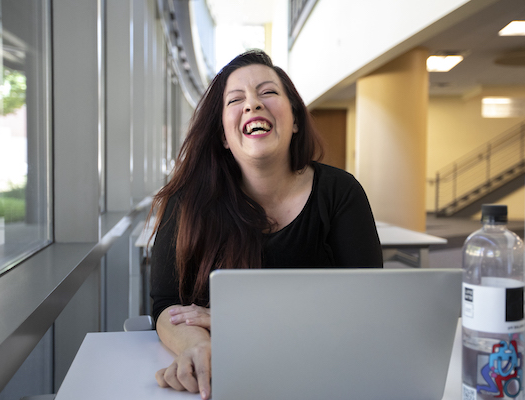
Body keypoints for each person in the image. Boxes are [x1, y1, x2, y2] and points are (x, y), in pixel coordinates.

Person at [149, 50, 383, 399]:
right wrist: (196, 347)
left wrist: (239, 319)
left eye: (268, 92)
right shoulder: (187, 203)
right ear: (224, 136)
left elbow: (369, 306)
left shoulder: (340, 192)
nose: (253, 104)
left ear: (295, 120)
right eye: (236, 99)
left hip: (325, 378)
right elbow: (166, 304)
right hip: (232, 383)